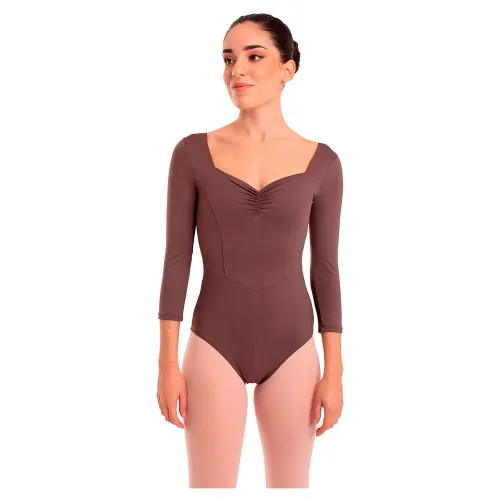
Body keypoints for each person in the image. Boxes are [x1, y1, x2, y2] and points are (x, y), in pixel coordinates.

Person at [156, 13, 344, 488]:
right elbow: (176, 260)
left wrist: (335, 371)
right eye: (228, 59)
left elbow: (325, 269)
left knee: (291, 487)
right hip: (213, 343)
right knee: (209, 489)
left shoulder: (323, 162)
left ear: (288, 68)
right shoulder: (192, 153)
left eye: (254, 56)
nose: (236, 70)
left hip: (293, 345)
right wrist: (167, 364)